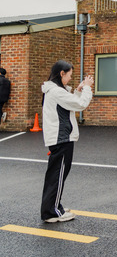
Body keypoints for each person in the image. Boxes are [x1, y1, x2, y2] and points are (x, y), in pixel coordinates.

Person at [41, 60, 94, 223]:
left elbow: (68, 105)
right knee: (57, 175)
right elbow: (80, 105)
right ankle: (52, 212)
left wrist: (78, 90)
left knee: (56, 175)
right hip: (61, 138)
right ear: (61, 74)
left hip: (59, 137)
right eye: (69, 75)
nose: (70, 79)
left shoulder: (53, 90)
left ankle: (54, 207)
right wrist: (86, 87)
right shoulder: (56, 91)